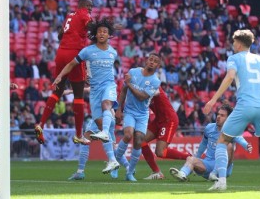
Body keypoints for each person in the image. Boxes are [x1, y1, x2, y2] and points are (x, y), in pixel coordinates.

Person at [203, 29, 260, 191]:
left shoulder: (234, 58)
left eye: (234, 41)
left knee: (222, 141)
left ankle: (221, 181)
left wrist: (213, 99)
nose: (233, 44)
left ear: (238, 43)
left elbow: (230, 77)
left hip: (244, 106)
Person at [53, 18, 120, 174]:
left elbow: (109, 73)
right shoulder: (87, 51)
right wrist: (60, 77)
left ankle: (82, 170)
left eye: (105, 31)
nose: (102, 33)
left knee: (107, 105)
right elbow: (70, 64)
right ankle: (112, 160)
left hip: (109, 86)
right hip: (95, 91)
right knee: (102, 125)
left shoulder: (113, 52)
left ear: (109, 35)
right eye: (99, 31)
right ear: (95, 34)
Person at [34, 0, 93, 146]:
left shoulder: (70, 16)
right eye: (89, 6)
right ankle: (79, 134)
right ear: (82, 5)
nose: (90, 9)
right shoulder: (84, 13)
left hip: (61, 54)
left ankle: (41, 124)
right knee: (79, 96)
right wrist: (99, 28)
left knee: (57, 93)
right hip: (74, 54)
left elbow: (61, 34)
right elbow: (91, 25)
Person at [170, 104, 252, 182]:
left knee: (229, 145)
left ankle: (215, 173)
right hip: (208, 164)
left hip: (223, 168)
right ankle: (182, 174)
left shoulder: (232, 130)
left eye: (222, 115)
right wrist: (195, 161)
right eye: (218, 114)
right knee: (190, 158)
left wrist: (246, 145)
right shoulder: (209, 128)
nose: (218, 117)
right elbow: (203, 144)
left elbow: (239, 138)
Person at [114, 53, 161, 182]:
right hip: (129, 111)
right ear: (146, 61)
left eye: (155, 61)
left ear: (158, 65)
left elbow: (142, 96)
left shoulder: (155, 81)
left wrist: (129, 84)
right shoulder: (133, 72)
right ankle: (115, 160)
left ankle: (129, 173)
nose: (152, 62)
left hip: (142, 114)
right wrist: (118, 109)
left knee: (138, 141)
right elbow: (123, 91)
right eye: (150, 59)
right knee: (128, 135)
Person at [140, 86, 192, 180]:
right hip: (158, 120)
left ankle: (190, 158)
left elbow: (156, 92)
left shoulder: (151, 84)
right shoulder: (139, 89)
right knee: (140, 141)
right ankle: (156, 172)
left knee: (160, 152)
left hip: (169, 120)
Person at [68, 113, 119, 180]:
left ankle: (80, 172)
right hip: (110, 117)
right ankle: (126, 168)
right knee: (111, 143)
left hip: (100, 116)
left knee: (85, 139)